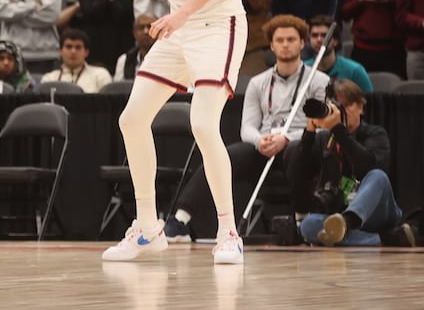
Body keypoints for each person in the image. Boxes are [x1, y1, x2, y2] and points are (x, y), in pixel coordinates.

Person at [70, 0, 249, 265]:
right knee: (132, 119)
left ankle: (228, 231)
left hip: (217, 21)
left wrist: (183, 13)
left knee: (204, 124)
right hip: (179, 25)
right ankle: (149, 228)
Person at [164, 16, 327, 244]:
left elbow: (323, 127)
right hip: (265, 145)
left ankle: (302, 222)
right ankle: (180, 220)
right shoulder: (258, 82)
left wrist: (286, 138)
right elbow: (247, 127)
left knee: (299, 150)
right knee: (223, 156)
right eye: (279, 40)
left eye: (291, 39)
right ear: (271, 45)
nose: (285, 44)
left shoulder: (319, 81)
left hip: (299, 144)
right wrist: (260, 140)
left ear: (302, 43)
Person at [292, 79, 413, 247]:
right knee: (308, 225)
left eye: (347, 105)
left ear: (361, 107)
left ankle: (348, 223)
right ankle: (385, 238)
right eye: (337, 106)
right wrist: (309, 134)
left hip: (379, 212)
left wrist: (338, 130)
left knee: (378, 176)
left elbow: (366, 166)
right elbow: (298, 173)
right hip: (339, 214)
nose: (343, 111)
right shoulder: (324, 140)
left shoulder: (375, 133)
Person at [306, 15, 374, 94]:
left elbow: (370, 103)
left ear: (335, 41)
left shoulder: (355, 71)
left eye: (324, 36)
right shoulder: (302, 70)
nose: (319, 40)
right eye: (314, 35)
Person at [40, 28, 112, 92]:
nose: (73, 52)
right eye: (69, 47)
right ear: (60, 51)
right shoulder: (49, 79)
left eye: (78, 47)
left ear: (86, 52)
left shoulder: (100, 75)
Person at [113, 14, 158, 81]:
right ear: (134, 33)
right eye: (141, 28)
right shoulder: (124, 60)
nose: (146, 31)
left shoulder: (170, 58)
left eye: (150, 27)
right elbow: (118, 89)